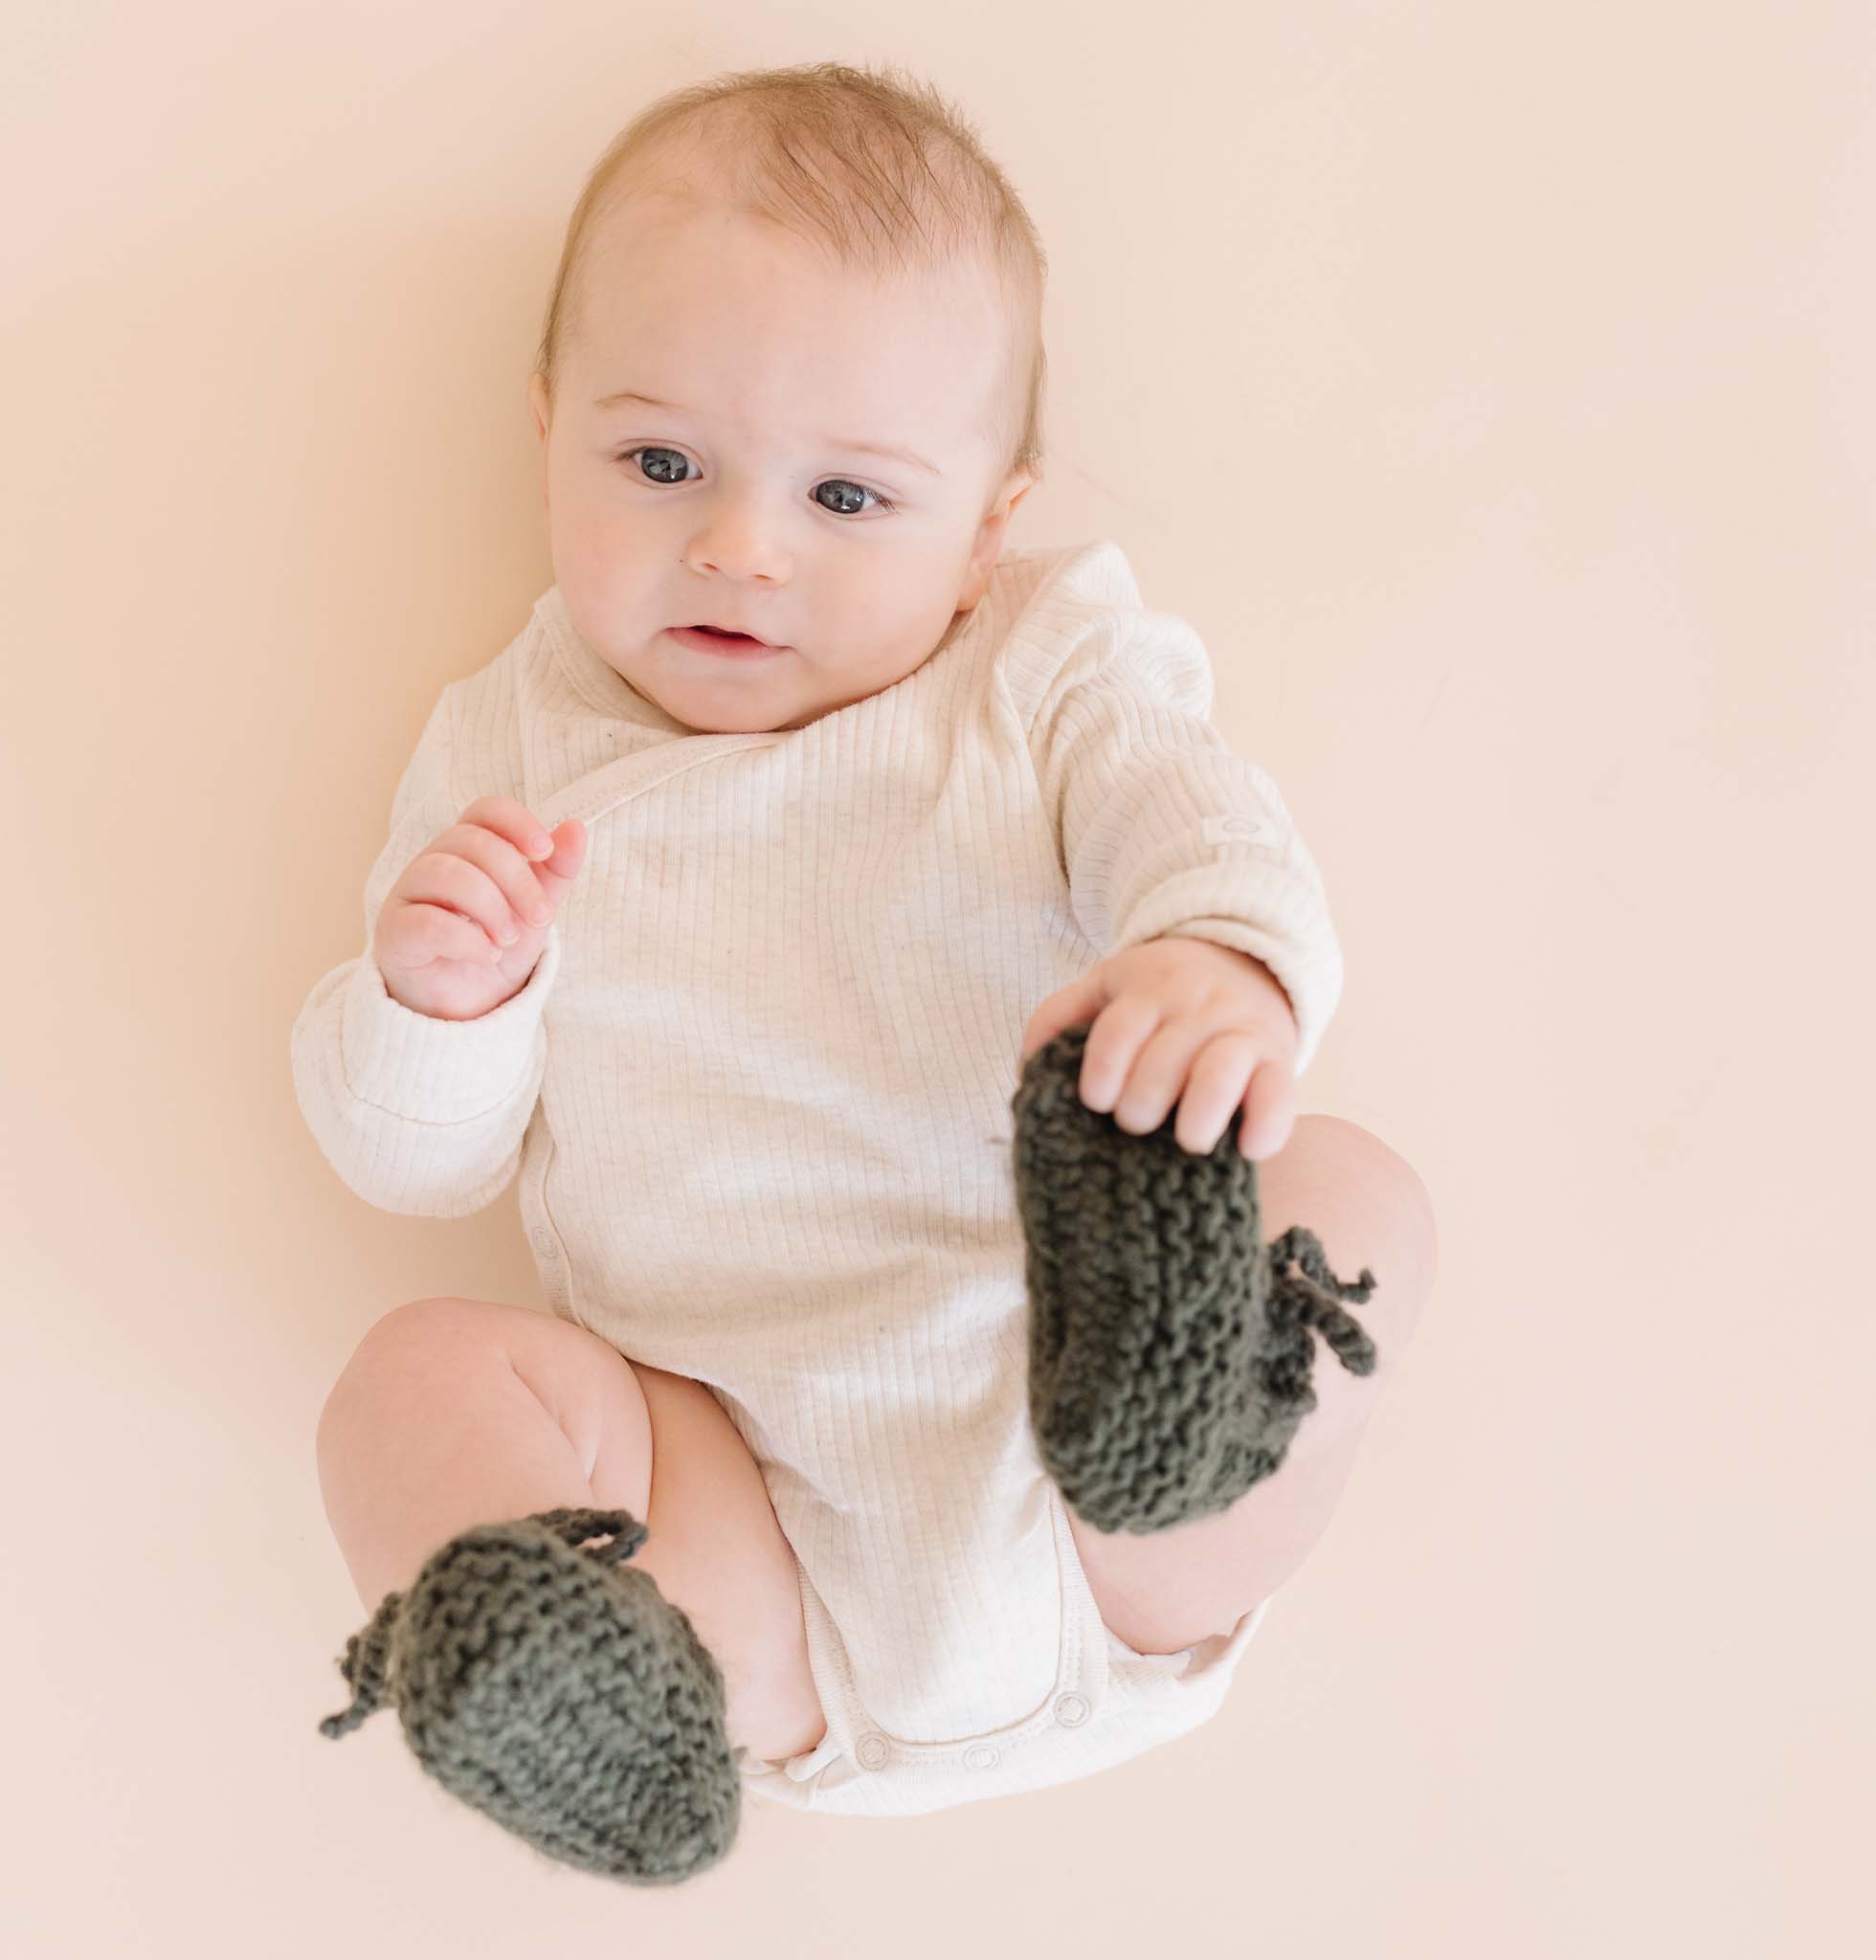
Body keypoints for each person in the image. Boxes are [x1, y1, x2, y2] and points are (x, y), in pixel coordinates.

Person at [293, 60, 1437, 1882]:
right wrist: (439, 1000)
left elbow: (1198, 818)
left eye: (848, 497)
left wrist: (1216, 967)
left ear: (990, 520)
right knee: (409, 1384)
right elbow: (413, 1163)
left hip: (1107, 1491)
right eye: (659, 463)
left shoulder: (1044, 665)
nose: (739, 546)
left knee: (1351, 1186)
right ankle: (568, 1684)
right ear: (546, 432)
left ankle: (1195, 1400)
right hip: (737, 1541)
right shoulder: (509, 745)